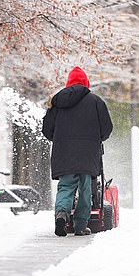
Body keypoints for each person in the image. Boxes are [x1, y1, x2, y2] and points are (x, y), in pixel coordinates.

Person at [42, 66, 113, 236]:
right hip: (88, 153)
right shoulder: (96, 102)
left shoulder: (56, 102)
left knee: (66, 186)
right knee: (86, 188)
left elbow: (46, 129)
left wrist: (59, 140)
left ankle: (61, 214)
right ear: (86, 83)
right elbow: (107, 128)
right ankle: (81, 225)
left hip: (64, 153)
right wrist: (98, 138)